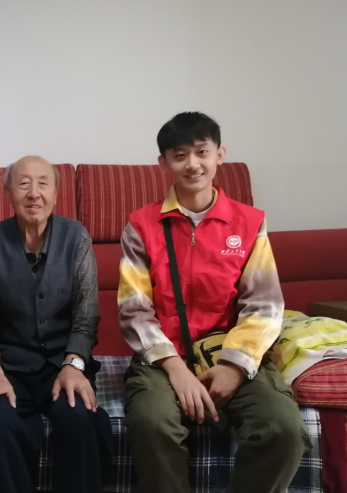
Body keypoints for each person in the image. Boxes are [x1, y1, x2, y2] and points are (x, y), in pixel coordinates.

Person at [118, 113, 312, 493]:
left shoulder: (249, 223)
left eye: (202, 152)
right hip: (163, 358)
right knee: (152, 424)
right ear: (164, 162)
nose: (192, 164)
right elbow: (133, 309)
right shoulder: (140, 225)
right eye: (180, 155)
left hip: (232, 351)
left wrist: (234, 367)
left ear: (219, 155)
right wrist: (176, 369)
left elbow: (264, 306)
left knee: (284, 430)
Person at [0, 156, 113, 493]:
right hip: (8, 367)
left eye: (43, 183)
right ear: (8, 193)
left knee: (78, 417)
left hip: (64, 362)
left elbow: (87, 312)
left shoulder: (76, 237)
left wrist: (74, 365)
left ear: (56, 193)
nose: (34, 192)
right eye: (23, 183)